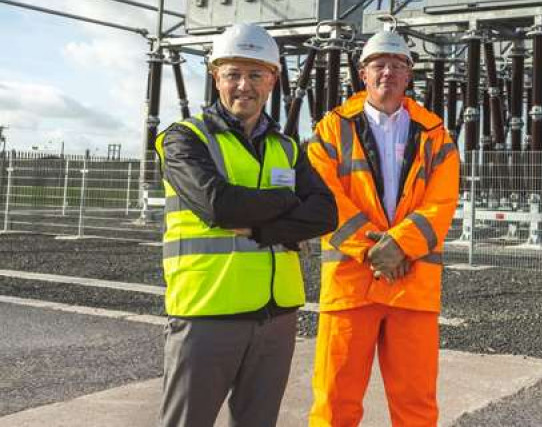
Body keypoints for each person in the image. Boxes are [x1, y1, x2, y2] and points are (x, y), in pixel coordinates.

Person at [156, 22, 337, 427]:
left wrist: (261, 229)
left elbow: (325, 213)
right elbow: (219, 206)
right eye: (233, 74)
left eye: (256, 74)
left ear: (273, 79)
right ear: (215, 76)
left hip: (276, 317)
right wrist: (290, 203)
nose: (244, 86)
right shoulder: (184, 139)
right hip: (207, 314)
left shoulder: (287, 146)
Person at [307, 28, 459, 427]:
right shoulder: (331, 130)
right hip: (350, 283)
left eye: (396, 65)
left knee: (416, 406)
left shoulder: (436, 135)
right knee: (334, 401)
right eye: (378, 65)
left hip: (412, 286)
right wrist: (375, 251)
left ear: (409, 75)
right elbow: (323, 197)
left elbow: (442, 202)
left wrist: (400, 246)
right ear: (363, 73)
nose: (387, 73)